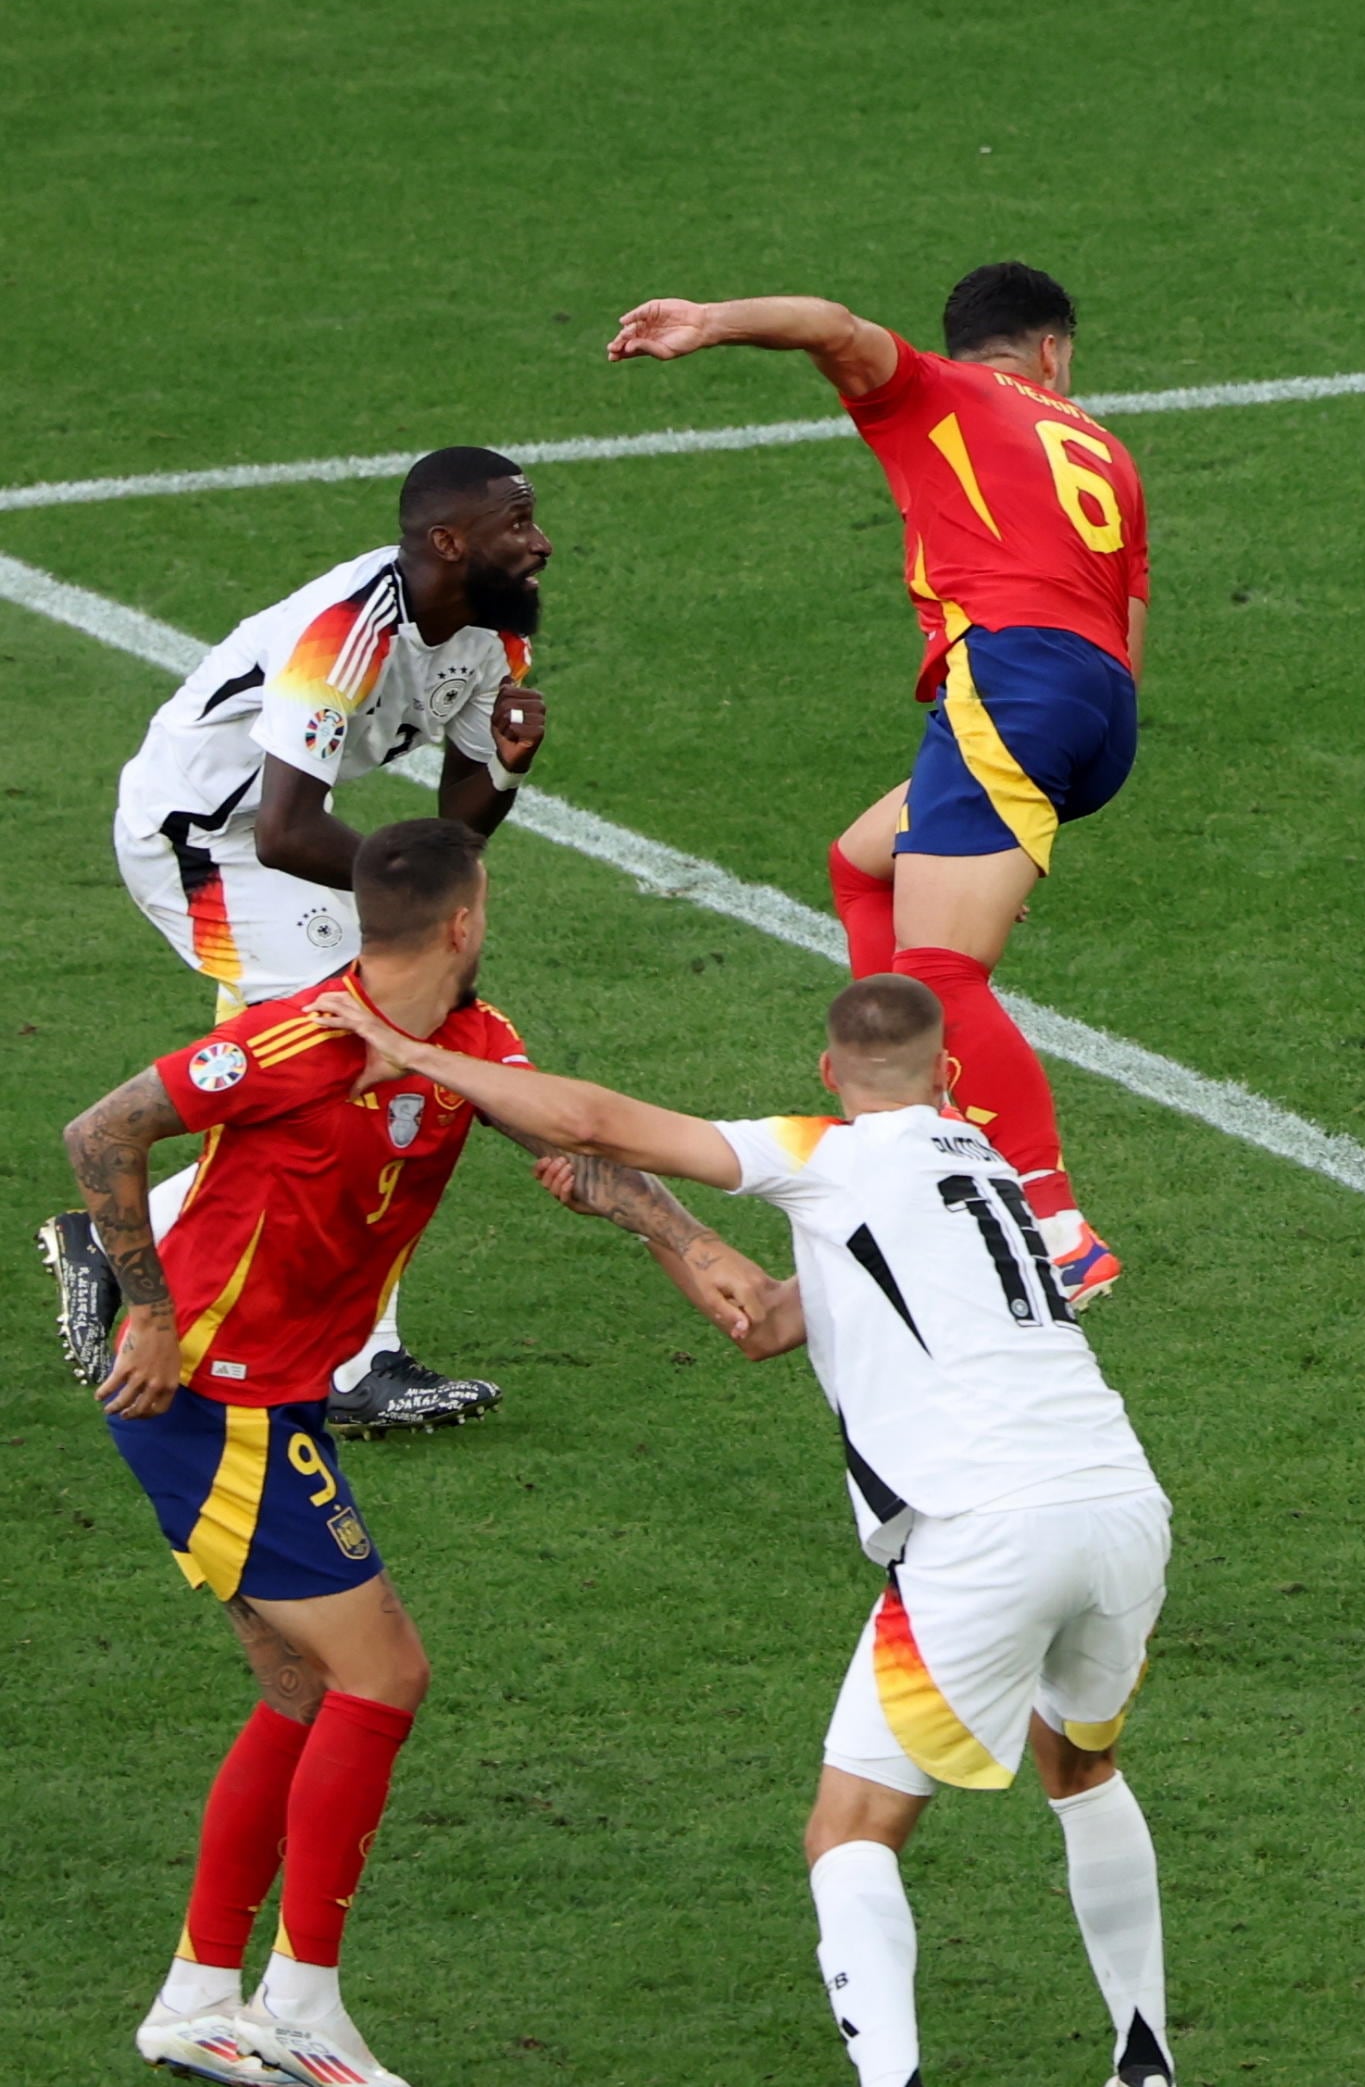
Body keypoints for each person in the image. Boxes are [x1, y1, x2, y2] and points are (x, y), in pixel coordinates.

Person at [312, 971, 1179, 2087]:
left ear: (828, 1073)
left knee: (850, 1829)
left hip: (981, 1529)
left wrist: (406, 1046)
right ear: (949, 1071)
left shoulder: (825, 1152)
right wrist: (643, 1216)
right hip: (1119, 1505)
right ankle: (1144, 2063)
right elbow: (767, 1320)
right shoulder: (987, 1172)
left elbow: (588, 1118)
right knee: (1083, 1764)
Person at [68, 818, 778, 2087]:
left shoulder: (474, 1044)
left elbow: (578, 1152)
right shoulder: (298, 1039)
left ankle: (195, 1997)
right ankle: (300, 2005)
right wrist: (151, 1308)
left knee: (301, 1689)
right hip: (211, 1397)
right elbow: (101, 1130)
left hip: (274, 1397)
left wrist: (695, 1248)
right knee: (384, 1675)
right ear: (465, 915)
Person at [604, 264, 1149, 1300]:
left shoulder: (940, 388)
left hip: (1012, 680)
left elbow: (833, 325)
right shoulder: (1102, 446)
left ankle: (1053, 1222)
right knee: (863, 865)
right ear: (1054, 351)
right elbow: (1128, 624)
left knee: (942, 968)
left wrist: (710, 320)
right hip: (1095, 705)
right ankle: (910, 1127)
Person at [38, 448, 557, 1440]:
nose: (538, 542)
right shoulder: (345, 633)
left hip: (273, 840)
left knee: (384, 1039)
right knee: (372, 1035)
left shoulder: (495, 626)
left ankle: (117, 1243)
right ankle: (357, 1365)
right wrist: (411, 915)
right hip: (198, 837)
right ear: (450, 543)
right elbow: (285, 828)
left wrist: (508, 766)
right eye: (515, 525)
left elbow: (456, 839)